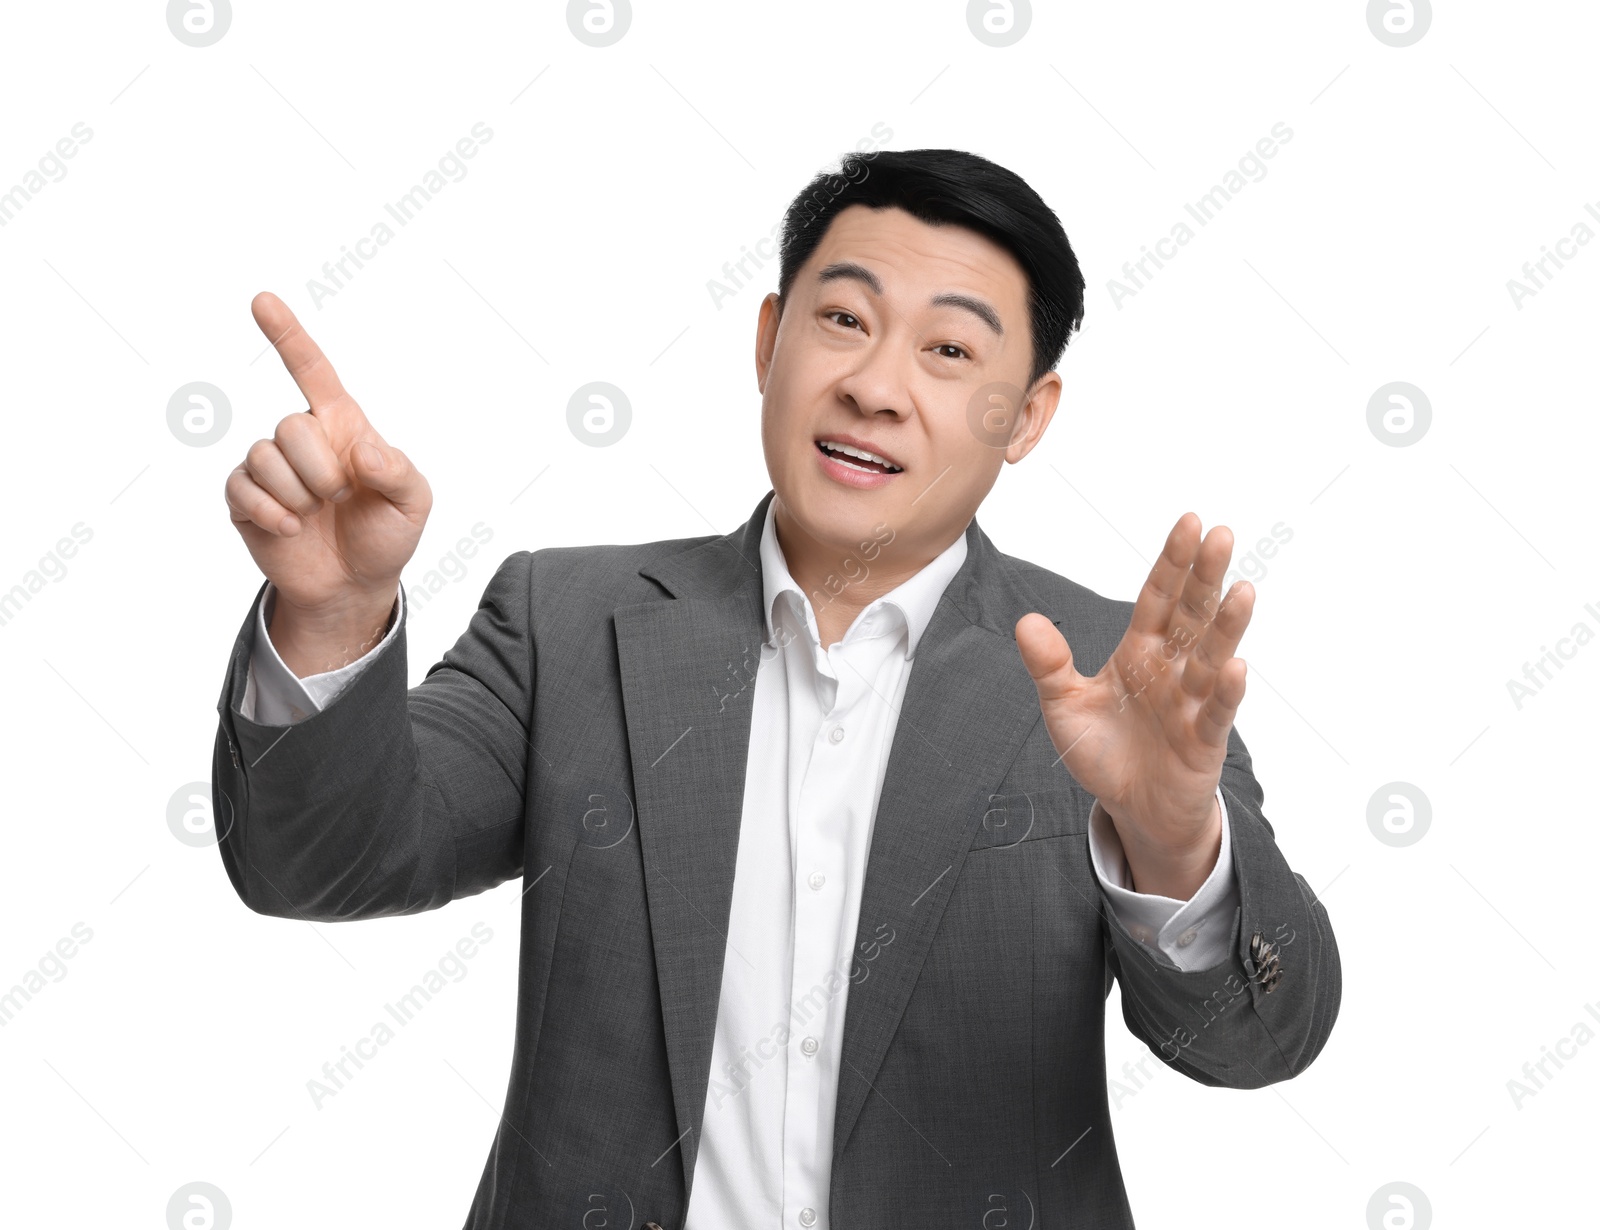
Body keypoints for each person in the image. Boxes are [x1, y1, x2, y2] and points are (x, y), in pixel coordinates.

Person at [213, 148, 1339, 1229]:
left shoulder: (1113, 672)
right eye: (843, 320)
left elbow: (1253, 1043)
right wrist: (332, 612)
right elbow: (316, 863)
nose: (875, 387)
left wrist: (1170, 845)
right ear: (768, 341)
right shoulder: (568, 621)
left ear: (1027, 416)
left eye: (949, 352)